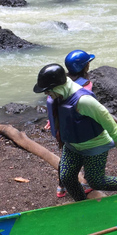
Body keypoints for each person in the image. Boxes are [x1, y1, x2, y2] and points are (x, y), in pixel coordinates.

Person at [34, 64, 117, 202]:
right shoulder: (60, 95)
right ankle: (82, 201)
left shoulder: (83, 101)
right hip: (72, 144)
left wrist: (116, 138)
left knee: (96, 181)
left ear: (58, 87)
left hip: (94, 146)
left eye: (48, 90)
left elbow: (105, 117)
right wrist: (53, 122)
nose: (46, 94)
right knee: (66, 176)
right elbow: (60, 112)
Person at [48, 50, 96, 197]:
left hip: (61, 126)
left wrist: (51, 121)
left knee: (66, 154)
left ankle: (61, 186)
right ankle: (87, 183)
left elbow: (55, 102)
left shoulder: (61, 81)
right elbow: (86, 106)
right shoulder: (86, 85)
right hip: (78, 126)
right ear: (85, 66)